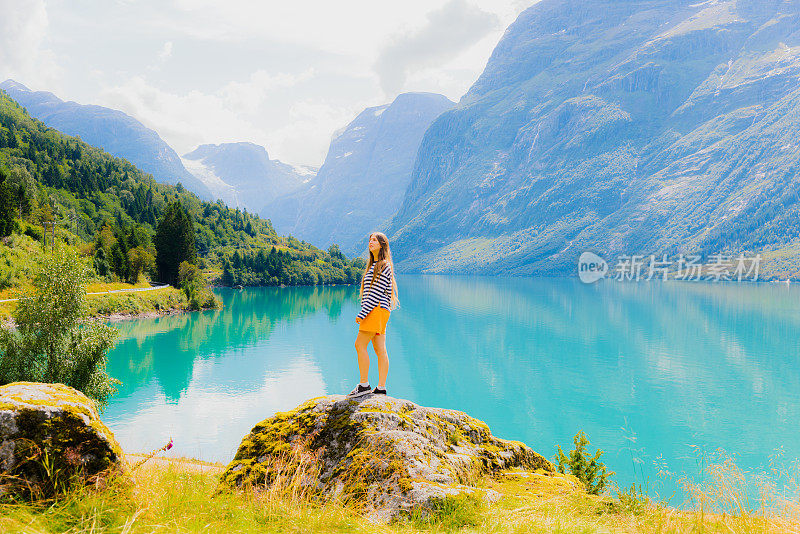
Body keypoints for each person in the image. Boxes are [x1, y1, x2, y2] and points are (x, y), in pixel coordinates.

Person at [347, 232, 399, 398]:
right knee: (379, 348)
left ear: (382, 245)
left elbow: (376, 292)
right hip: (380, 311)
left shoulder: (383, 265)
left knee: (359, 345)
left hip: (375, 310)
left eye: (374, 240)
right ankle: (381, 388)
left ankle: (364, 385)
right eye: (369, 240)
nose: (370, 242)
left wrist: (362, 313)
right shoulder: (376, 264)